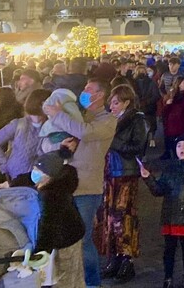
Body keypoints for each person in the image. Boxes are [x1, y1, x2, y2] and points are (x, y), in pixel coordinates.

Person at [43, 78, 117, 288]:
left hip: (87, 187)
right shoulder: (76, 116)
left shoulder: (107, 120)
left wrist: (58, 115)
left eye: (89, 89)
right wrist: (60, 145)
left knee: (83, 240)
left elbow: (85, 132)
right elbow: (51, 140)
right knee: (62, 236)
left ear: (100, 94)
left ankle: (92, 282)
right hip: (62, 184)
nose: (84, 92)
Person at [7, 151, 86, 288]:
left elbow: (48, 226)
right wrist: (11, 184)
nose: (34, 172)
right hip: (71, 236)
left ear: (48, 176)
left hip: (65, 242)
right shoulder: (56, 183)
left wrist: (39, 253)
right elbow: (28, 178)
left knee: (65, 280)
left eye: (38, 170)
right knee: (74, 277)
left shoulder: (51, 195)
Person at [141, 135, 184, 288]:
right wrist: (148, 178)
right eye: (179, 146)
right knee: (169, 250)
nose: (181, 149)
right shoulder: (170, 169)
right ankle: (168, 277)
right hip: (170, 216)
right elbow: (159, 190)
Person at [96, 84, 148, 283]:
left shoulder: (137, 119)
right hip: (110, 172)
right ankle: (115, 256)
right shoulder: (111, 120)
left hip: (126, 173)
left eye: (116, 102)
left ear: (126, 102)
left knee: (124, 216)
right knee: (110, 216)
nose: (112, 106)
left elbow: (137, 147)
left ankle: (127, 258)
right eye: (111, 102)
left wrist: (113, 141)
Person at [0, 88, 51, 182]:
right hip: (17, 175)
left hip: (40, 176)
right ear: (42, 104)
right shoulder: (18, 124)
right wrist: (5, 165)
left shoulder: (51, 126)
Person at [161, 76, 184, 160]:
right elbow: (164, 112)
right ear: (179, 84)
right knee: (172, 142)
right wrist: (167, 104)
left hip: (183, 123)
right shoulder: (171, 95)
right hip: (173, 123)